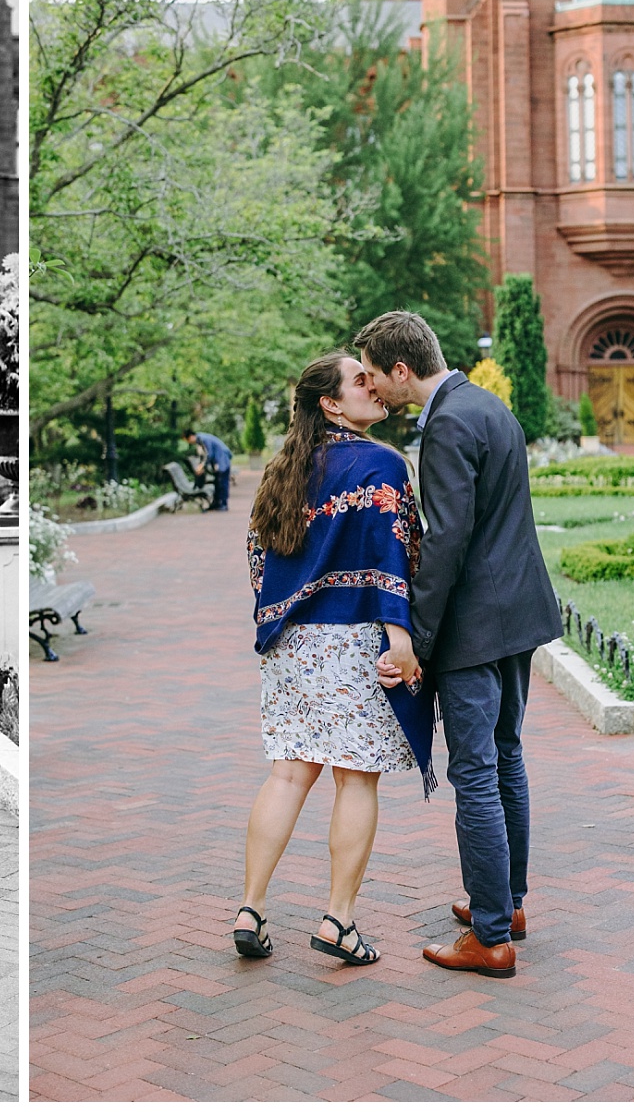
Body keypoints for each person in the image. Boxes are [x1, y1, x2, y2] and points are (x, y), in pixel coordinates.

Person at [356, 310, 561, 980]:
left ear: (402, 370)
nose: (374, 390)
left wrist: (416, 635)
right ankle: (508, 905)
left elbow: (445, 540)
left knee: (474, 771)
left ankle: (491, 935)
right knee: (506, 757)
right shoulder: (488, 406)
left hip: (475, 624)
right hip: (520, 612)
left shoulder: (444, 425)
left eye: (376, 377)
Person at [232, 352, 436, 967]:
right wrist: (402, 636)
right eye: (359, 381)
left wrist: (285, 611)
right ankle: (338, 920)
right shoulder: (382, 464)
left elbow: (257, 557)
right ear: (331, 403)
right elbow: (399, 554)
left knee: (287, 775)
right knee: (355, 778)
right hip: (357, 640)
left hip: (292, 643)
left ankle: (250, 907)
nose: (372, 387)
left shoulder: (282, 470)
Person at [184, 429, 233, 510]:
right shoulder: (201, 439)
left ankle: (223, 504)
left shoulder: (203, 439)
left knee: (222, 483)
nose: (189, 443)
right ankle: (217, 503)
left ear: (191, 437)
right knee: (218, 482)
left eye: (188, 440)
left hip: (222, 461)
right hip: (219, 462)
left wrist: (202, 465)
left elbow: (209, 454)